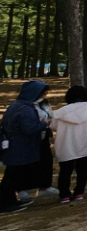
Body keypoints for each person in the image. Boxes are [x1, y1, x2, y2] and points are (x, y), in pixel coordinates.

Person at [1, 81, 52, 214]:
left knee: (12, 175)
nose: (43, 96)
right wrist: (44, 124)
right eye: (42, 93)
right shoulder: (26, 109)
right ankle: (5, 203)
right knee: (12, 176)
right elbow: (29, 129)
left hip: (15, 146)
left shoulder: (17, 105)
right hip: (20, 147)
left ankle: (10, 201)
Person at [51, 86, 87, 204]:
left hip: (65, 144)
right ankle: (79, 192)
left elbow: (53, 127)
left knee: (65, 171)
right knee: (82, 169)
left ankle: (64, 195)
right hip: (86, 143)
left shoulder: (60, 112)